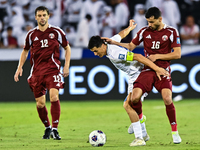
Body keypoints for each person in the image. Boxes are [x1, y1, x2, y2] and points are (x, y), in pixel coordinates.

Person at [102, 7, 182, 146]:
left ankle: (175, 132)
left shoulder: (171, 31)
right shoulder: (144, 31)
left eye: (152, 22)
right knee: (134, 97)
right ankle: (140, 119)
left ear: (160, 19)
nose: (149, 25)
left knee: (168, 99)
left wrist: (158, 56)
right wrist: (115, 43)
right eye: (148, 22)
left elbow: (177, 54)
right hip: (147, 69)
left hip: (163, 69)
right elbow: (131, 46)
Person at [88, 19, 169, 147]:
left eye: (96, 50)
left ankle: (139, 138)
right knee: (131, 105)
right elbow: (121, 35)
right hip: (133, 76)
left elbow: (138, 57)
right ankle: (143, 133)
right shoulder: (109, 43)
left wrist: (157, 68)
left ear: (102, 46)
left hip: (139, 74)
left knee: (128, 105)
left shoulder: (115, 53)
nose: (95, 53)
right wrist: (130, 28)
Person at [14, 6, 71, 140]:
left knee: (54, 97)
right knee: (40, 103)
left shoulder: (56, 32)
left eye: (44, 15)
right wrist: (19, 67)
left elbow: (67, 48)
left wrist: (66, 65)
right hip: (37, 72)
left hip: (53, 70)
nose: (42, 18)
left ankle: (55, 129)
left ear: (48, 16)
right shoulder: (31, 34)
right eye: (39, 15)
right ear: (35, 17)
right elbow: (25, 51)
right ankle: (47, 127)